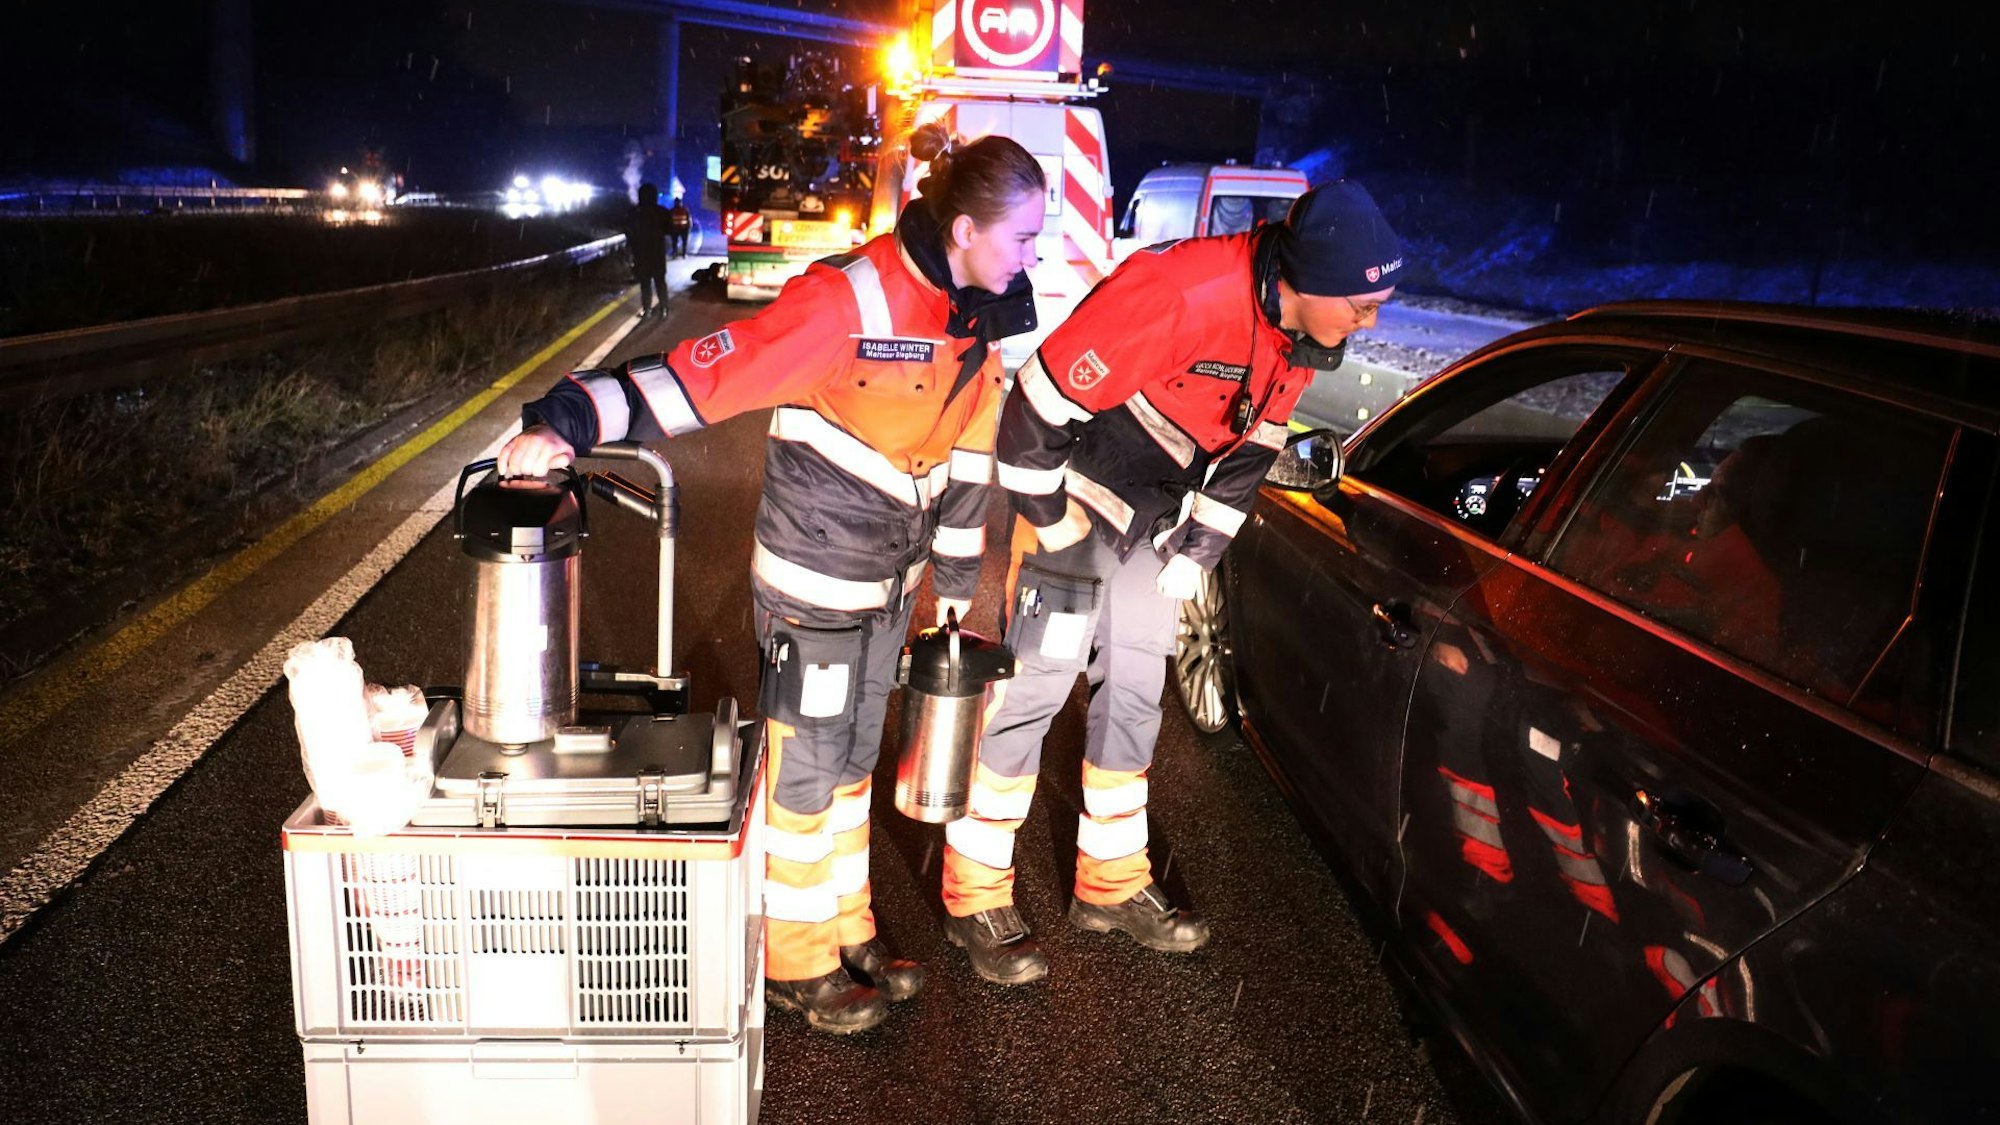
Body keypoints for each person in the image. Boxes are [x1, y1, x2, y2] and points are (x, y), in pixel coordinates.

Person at [497, 122, 1045, 1033]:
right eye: (1023, 236)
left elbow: (970, 455)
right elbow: (697, 378)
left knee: (854, 761)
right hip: (815, 574)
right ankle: (791, 957)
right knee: (806, 767)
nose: (1035, 254)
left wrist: (954, 591)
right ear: (963, 233)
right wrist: (565, 421)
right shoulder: (847, 302)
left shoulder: (978, 319)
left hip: (891, 584)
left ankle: (845, 925)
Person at [938, 181, 1406, 984]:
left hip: (1153, 525)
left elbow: (1254, 446)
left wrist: (1197, 552)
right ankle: (973, 891)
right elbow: (1032, 412)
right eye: (1362, 308)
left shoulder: (1295, 335)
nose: (1372, 324)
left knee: (1134, 693)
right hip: (1076, 508)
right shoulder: (1180, 293)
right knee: (1032, 693)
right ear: (1309, 281)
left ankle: (1111, 882)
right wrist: (1050, 521)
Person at [626, 182, 671, 317]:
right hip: (657, 253)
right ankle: (664, 309)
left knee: (645, 282)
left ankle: (647, 310)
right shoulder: (662, 212)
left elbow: (629, 232)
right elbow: (669, 230)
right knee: (660, 282)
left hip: (641, 253)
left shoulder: (634, 213)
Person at [667, 194, 692, 258]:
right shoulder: (684, 210)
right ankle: (682, 254)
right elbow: (689, 219)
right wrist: (689, 227)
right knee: (682, 242)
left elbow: (669, 221)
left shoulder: (672, 210)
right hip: (681, 229)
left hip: (678, 229)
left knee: (676, 242)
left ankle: (676, 254)